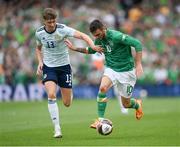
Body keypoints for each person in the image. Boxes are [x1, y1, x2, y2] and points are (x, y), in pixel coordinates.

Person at [35, 9, 103, 138]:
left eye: (54, 21)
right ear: (44, 21)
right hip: (49, 67)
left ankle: (67, 92)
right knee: (51, 94)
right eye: (49, 22)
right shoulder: (39, 33)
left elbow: (83, 35)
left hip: (64, 67)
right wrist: (40, 62)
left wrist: (93, 46)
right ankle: (57, 128)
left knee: (67, 103)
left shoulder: (63, 29)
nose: (52, 24)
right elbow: (38, 48)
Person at [65, 19, 144, 129]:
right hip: (111, 69)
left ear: (103, 29)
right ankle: (100, 120)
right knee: (102, 88)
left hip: (127, 72)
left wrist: (139, 63)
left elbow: (137, 44)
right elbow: (92, 50)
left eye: (98, 34)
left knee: (126, 104)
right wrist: (74, 48)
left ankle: (137, 104)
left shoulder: (116, 36)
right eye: (94, 36)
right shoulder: (98, 39)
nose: (97, 37)